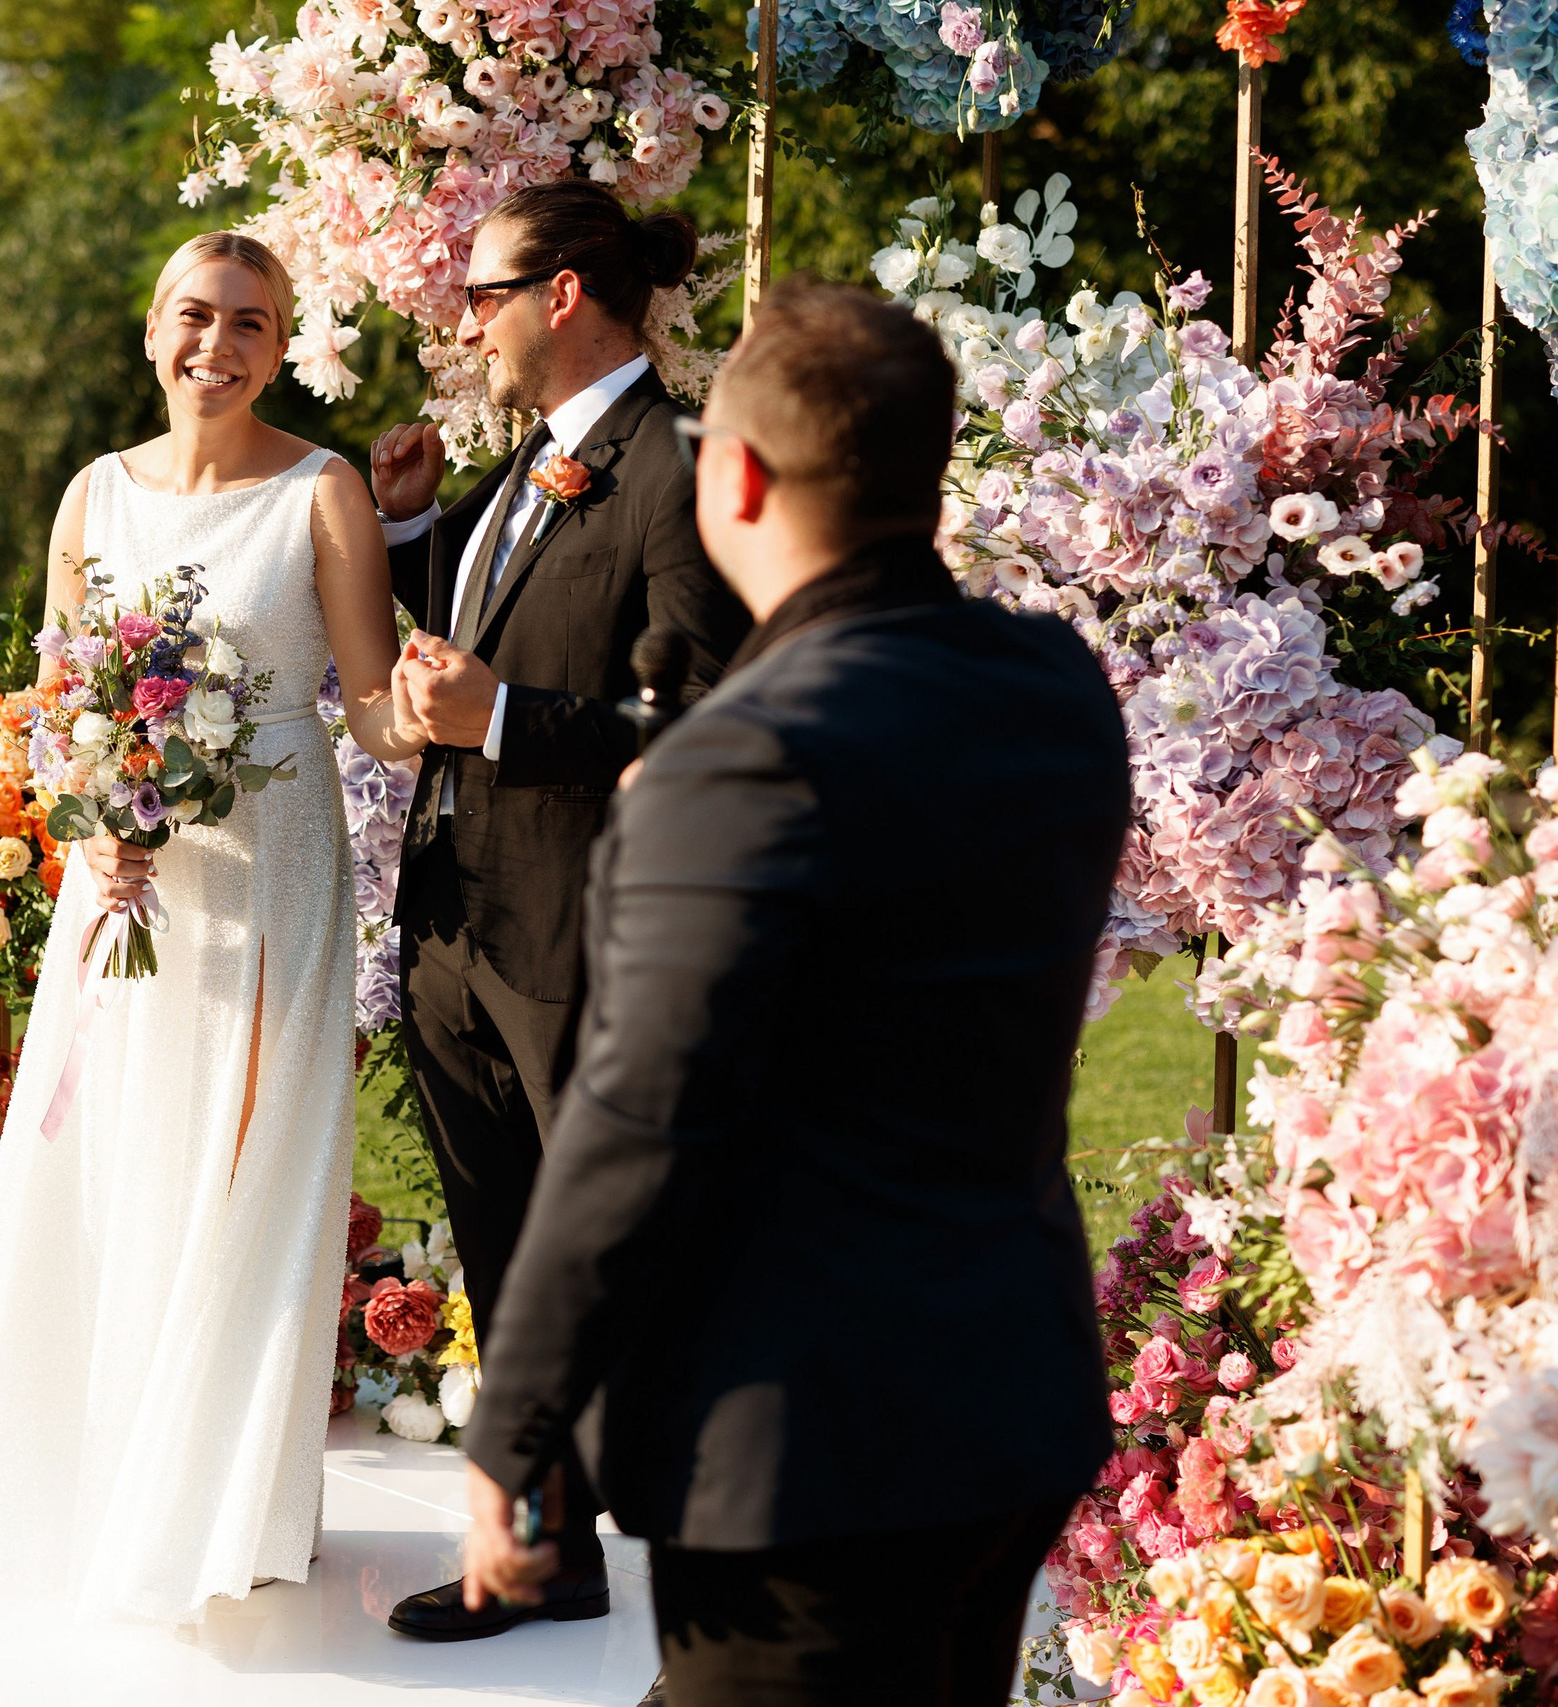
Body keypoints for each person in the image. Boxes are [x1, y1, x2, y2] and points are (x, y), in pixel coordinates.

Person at [452, 280, 1129, 1705]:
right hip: (1009, 1391)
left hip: (806, 1445)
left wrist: (515, 1431)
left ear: (736, 474)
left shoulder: (737, 760)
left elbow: (639, 1119)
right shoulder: (1056, 690)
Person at [0, 232, 428, 1623]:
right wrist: (86, 817)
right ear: (151, 328)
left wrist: (464, 643)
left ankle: (223, 1508)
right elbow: (56, 709)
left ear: (282, 347)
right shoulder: (94, 495)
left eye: (252, 324)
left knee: (246, 1173)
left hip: (271, 872)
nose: (217, 347)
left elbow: (381, 710)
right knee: (117, 1163)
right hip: (124, 887)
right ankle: (100, 1477)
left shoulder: (322, 491)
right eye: (195, 316)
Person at [366, 179, 751, 1642]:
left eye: (483, 292)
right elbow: (468, 637)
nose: (467, 319)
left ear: (565, 293)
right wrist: (412, 535)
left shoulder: (675, 467)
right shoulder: (521, 466)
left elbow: (710, 714)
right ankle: (542, 1555)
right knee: (503, 1248)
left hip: (583, 937)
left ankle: (735, 1583)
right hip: (458, 925)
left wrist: (509, 718)